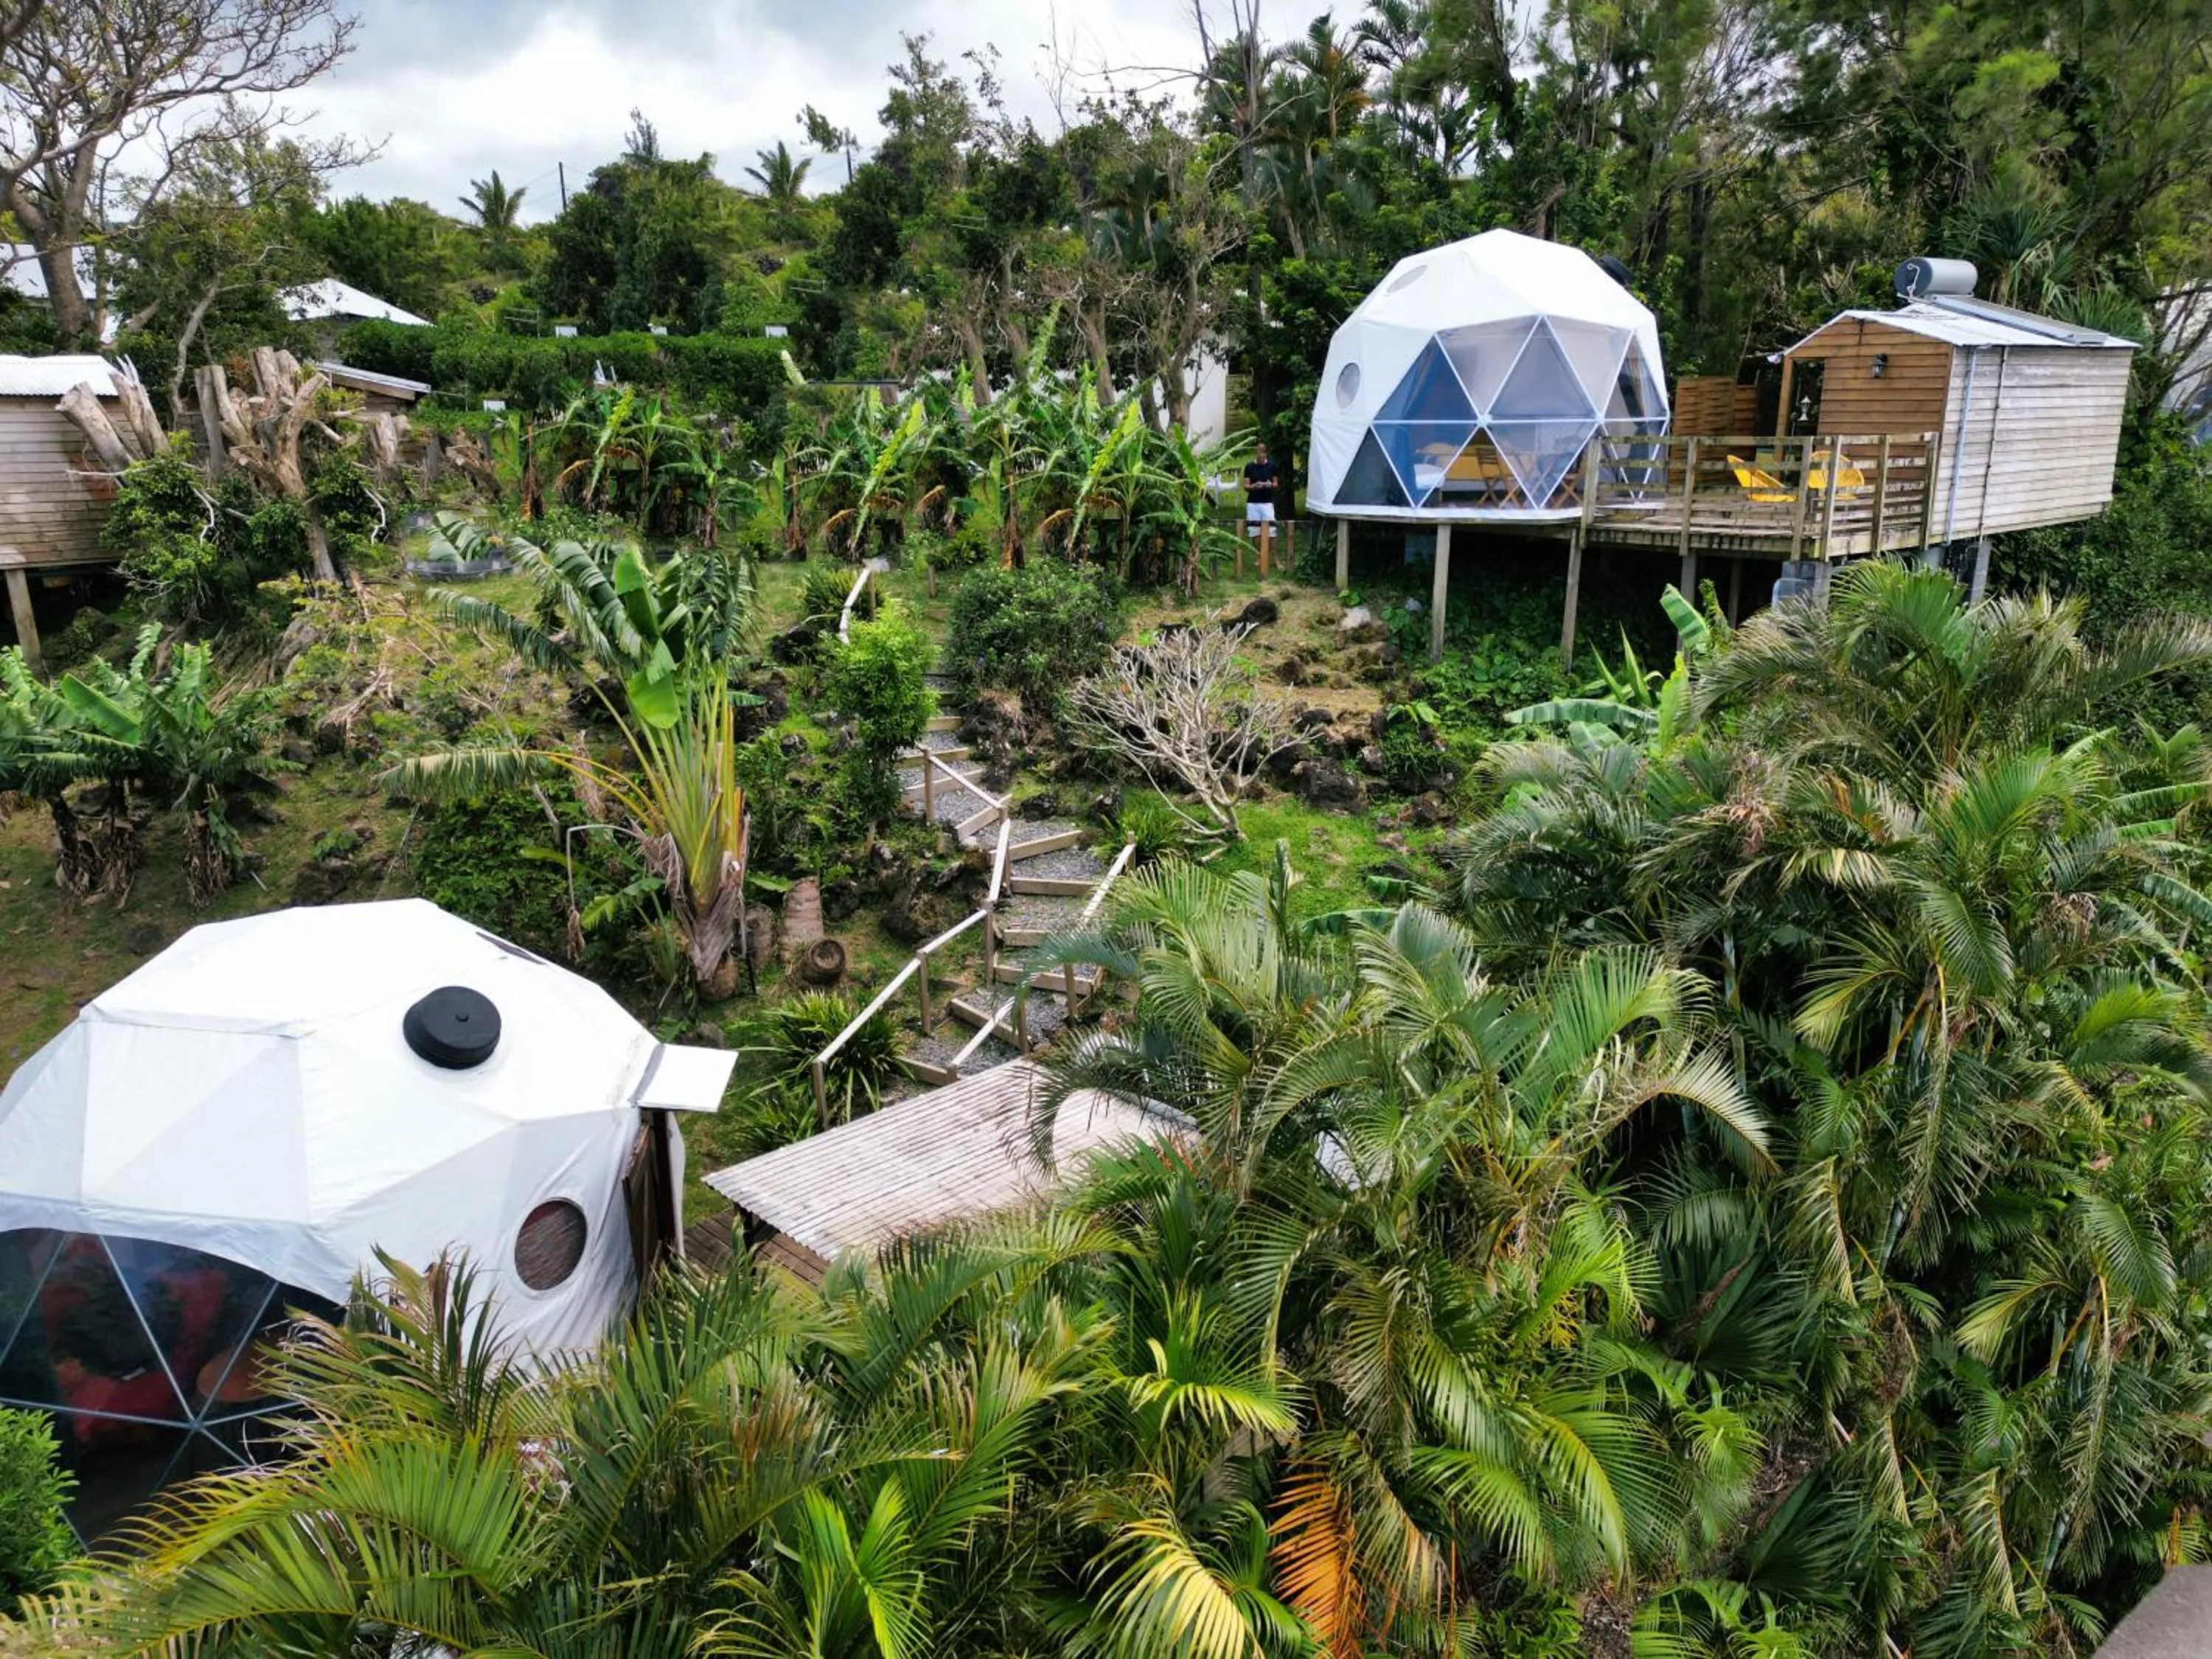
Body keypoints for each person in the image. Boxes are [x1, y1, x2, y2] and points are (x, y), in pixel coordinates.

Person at [1241, 444, 1280, 575]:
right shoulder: (1249, 467)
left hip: (1267, 502)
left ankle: (1275, 558)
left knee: (1272, 530)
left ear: (1266, 455)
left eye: (1263, 457)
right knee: (1254, 530)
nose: (1261, 459)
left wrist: (1269, 485)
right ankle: (1261, 555)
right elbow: (1246, 486)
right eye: (1258, 457)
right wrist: (1254, 486)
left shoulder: (1272, 466)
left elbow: (1276, 484)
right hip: (1253, 503)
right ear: (1256, 454)